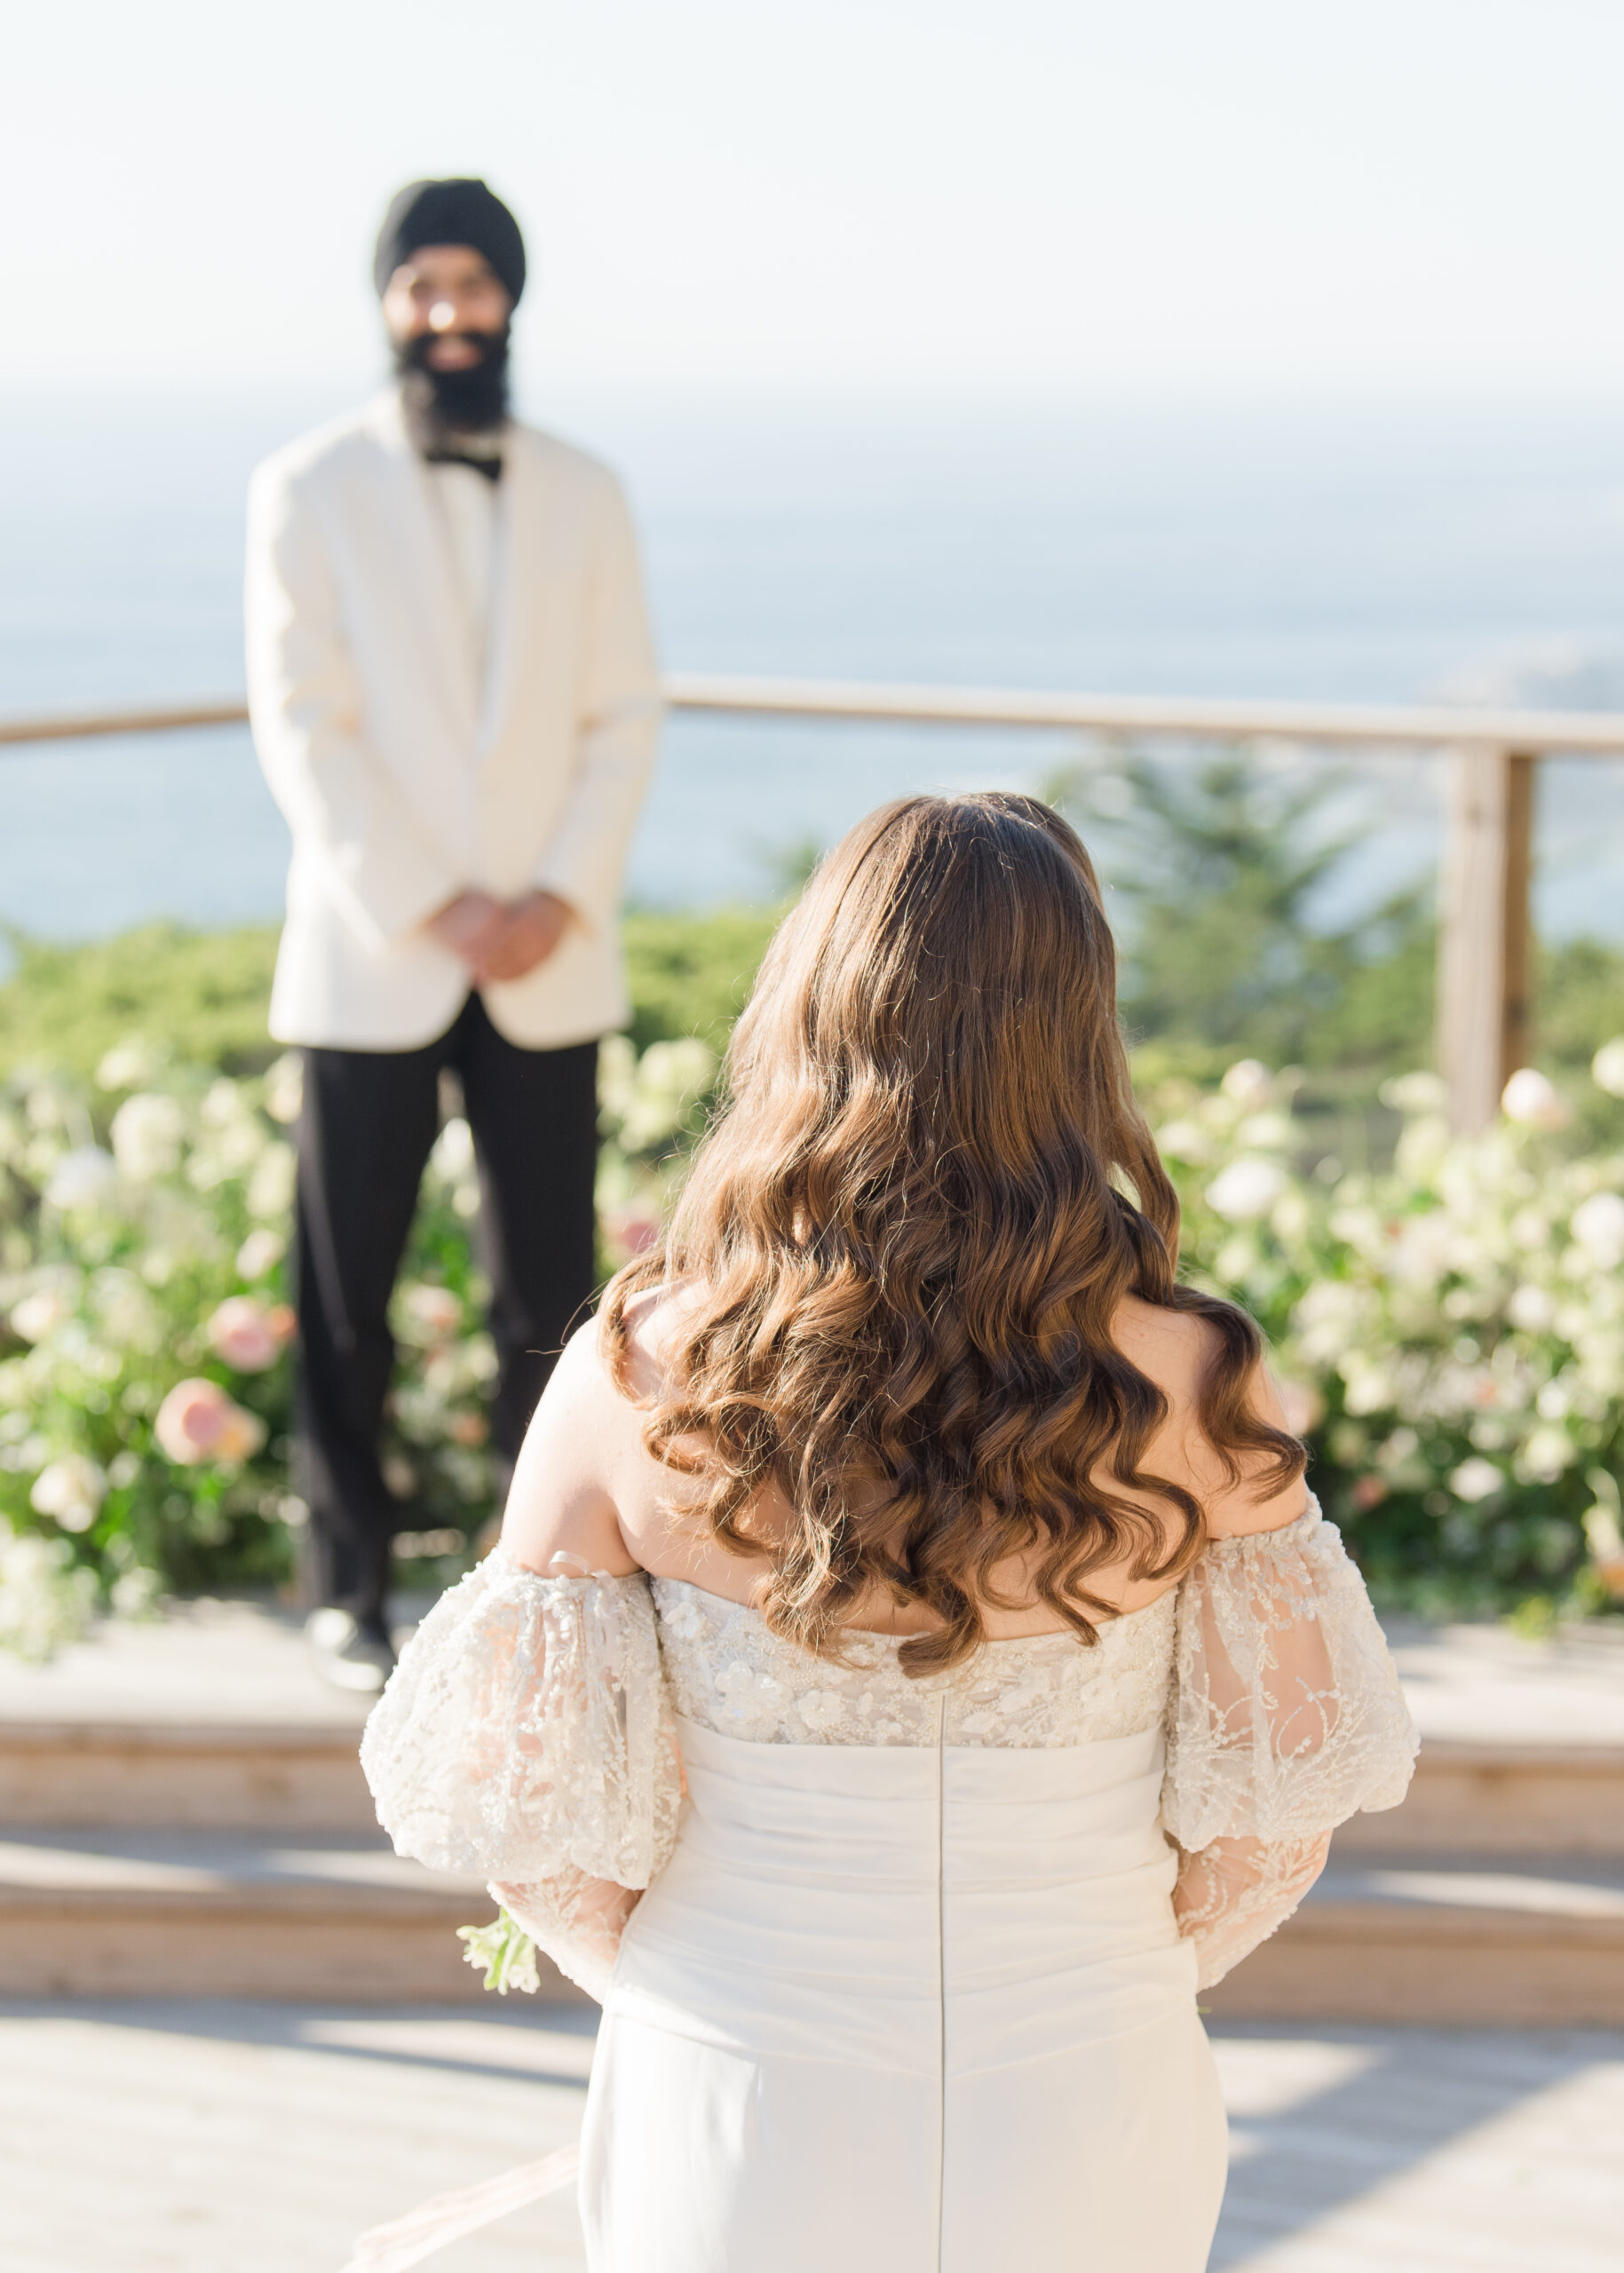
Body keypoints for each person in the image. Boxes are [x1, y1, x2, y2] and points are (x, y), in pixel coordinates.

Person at [363, 795, 1417, 2271]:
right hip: (1090, 2084)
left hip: (731, 2086)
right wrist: (1098, 1978)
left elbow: (528, 1827)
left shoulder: (642, 1371)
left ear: (811, 1006)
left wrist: (697, 1991)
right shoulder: (1194, 1377)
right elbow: (1271, 1826)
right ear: (1076, 1033)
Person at [246, 178, 660, 1691]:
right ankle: (344, 1584)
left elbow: (624, 713)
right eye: (420, 287)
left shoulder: (587, 491)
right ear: (385, 303)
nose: (446, 313)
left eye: (470, 286)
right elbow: (304, 727)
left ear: (510, 301)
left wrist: (552, 893)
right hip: (373, 952)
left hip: (551, 957)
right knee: (344, 1285)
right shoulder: (304, 487)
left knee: (548, 1294)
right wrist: (437, 901)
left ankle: (541, 1584)